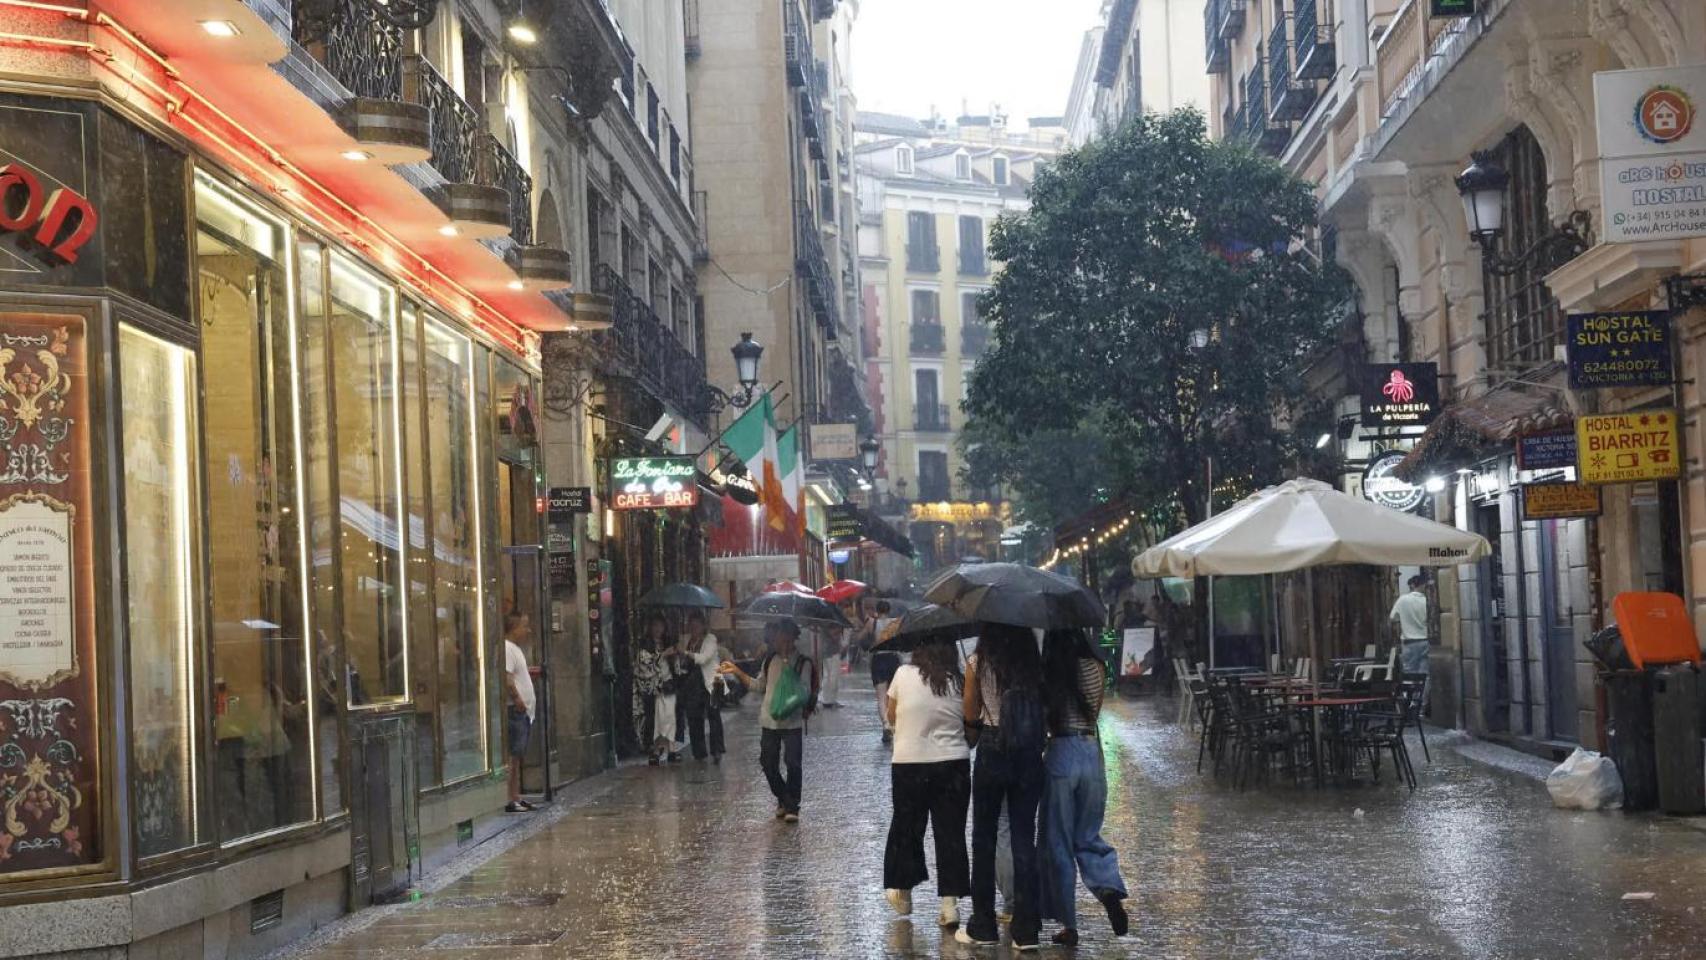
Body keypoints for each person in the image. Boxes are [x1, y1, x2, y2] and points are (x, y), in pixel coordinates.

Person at [1038, 629, 1129, 946]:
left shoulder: (1050, 669)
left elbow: (1047, 718)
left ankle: (1069, 926)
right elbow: (1094, 712)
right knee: (1087, 834)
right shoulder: (1096, 666)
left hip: (1061, 752)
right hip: (1091, 751)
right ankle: (1107, 889)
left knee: (1058, 843)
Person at [958, 624, 1046, 951]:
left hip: (993, 749)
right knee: (1025, 837)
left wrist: (973, 733)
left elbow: (970, 711)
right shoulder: (1033, 660)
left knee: (984, 837)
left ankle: (983, 924)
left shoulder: (977, 661)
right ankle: (1026, 929)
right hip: (1028, 753)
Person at [882, 636, 972, 928]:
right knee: (951, 833)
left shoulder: (903, 674)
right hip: (953, 763)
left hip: (910, 763)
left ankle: (904, 892)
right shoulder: (958, 680)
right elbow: (970, 721)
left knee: (907, 829)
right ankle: (950, 906)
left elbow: (890, 715)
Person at [722, 620, 817, 822]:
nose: (778, 640)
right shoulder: (770, 660)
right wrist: (737, 672)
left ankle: (792, 807)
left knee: (793, 764)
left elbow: (805, 692)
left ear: (792, 638)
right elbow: (758, 686)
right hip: (769, 722)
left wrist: (789, 696)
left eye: (783, 636)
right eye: (777, 636)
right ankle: (784, 799)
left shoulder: (803, 663)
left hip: (792, 723)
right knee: (768, 764)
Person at [503, 612, 538, 813]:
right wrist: (517, 699)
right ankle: (510, 798)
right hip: (516, 710)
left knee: (518, 756)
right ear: (514, 627)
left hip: (522, 711)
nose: (527, 630)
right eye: (524, 626)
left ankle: (516, 795)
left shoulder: (515, 649)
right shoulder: (508, 648)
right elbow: (507, 677)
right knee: (513, 756)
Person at [682, 611, 724, 763]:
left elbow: (703, 658)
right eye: (691, 626)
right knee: (694, 718)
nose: (694, 629)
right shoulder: (688, 641)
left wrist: (686, 653)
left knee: (713, 716)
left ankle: (717, 750)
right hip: (693, 685)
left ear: (703, 626)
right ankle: (699, 752)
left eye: (697, 625)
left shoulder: (710, 639)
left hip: (710, 683)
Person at [869, 600, 901, 744]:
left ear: (877, 610)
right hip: (893, 658)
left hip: (878, 659)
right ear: (889, 610)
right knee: (894, 694)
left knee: (881, 697)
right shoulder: (896, 623)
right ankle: (894, 724)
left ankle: (886, 725)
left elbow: (861, 638)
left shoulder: (872, 623)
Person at [1390, 575, 1430, 676]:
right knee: (1424, 674)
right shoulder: (1426, 601)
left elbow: (1393, 617)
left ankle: (1410, 691)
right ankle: (1422, 692)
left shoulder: (1403, 599)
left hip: (1409, 643)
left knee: (1409, 673)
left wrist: (1404, 618)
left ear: (1411, 586)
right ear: (1422, 585)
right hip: (1424, 641)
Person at [819, 625, 845, 708]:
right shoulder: (831, 622)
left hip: (826, 651)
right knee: (834, 677)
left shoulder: (822, 621)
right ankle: (830, 700)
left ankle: (826, 699)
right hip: (832, 652)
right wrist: (839, 629)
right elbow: (833, 635)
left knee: (827, 676)